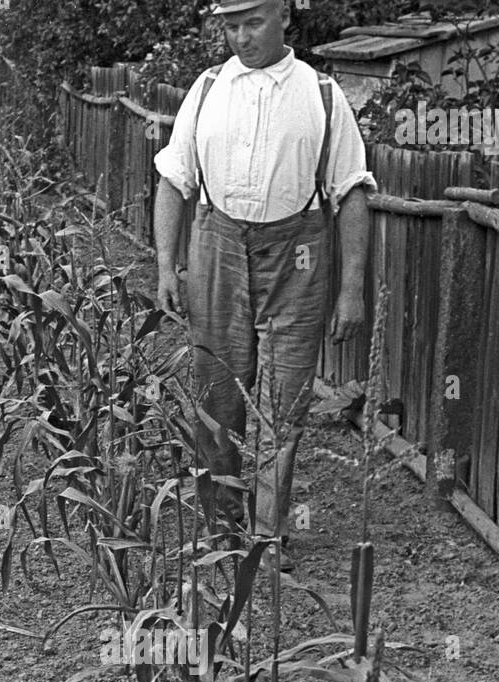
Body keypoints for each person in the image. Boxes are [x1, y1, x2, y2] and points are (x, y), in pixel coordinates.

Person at [153, 0, 377, 550]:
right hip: (216, 246)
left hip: (297, 254)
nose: (241, 37)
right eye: (231, 26)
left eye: (253, 23)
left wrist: (350, 290)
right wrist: (166, 265)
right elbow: (173, 179)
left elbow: (350, 192)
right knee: (217, 394)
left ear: (284, 18)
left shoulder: (321, 95)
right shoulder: (207, 90)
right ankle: (223, 529)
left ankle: (267, 536)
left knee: (286, 399)